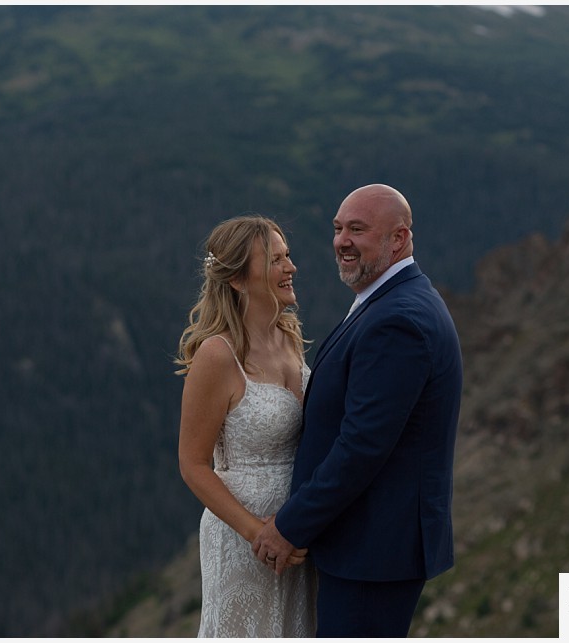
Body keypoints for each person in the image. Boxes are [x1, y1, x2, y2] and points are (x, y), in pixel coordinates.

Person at [251, 184, 463, 637]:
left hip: (373, 552)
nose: (342, 241)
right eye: (338, 228)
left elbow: (362, 446)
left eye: (358, 230)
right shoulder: (388, 300)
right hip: (363, 546)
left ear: (399, 238)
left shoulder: (399, 320)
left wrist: (290, 527)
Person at [176, 215, 317, 637]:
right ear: (238, 279)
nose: (291, 267)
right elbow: (193, 464)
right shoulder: (217, 355)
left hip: (295, 532)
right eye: (275, 260)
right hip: (245, 538)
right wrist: (257, 532)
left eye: (288, 256)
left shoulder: (289, 337)